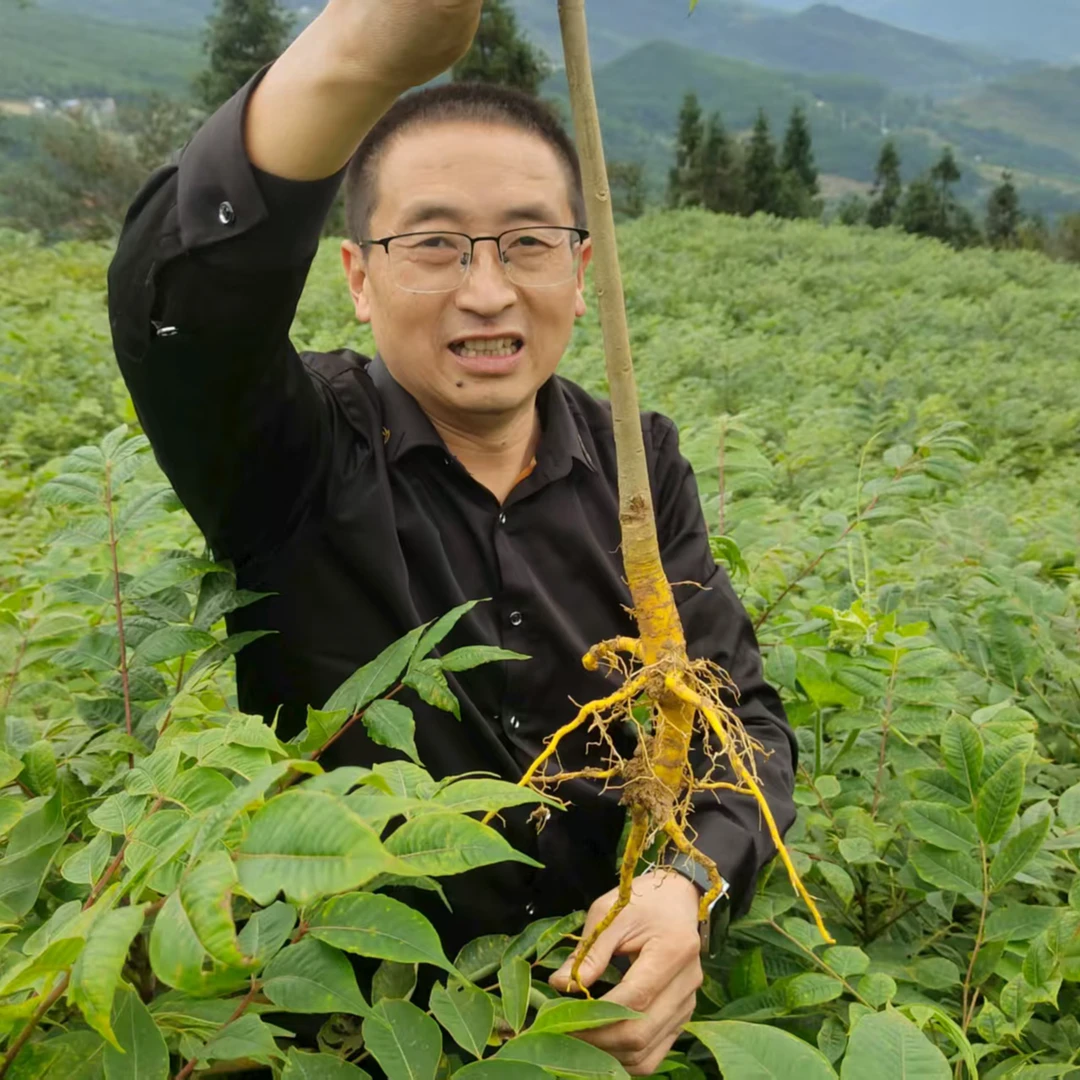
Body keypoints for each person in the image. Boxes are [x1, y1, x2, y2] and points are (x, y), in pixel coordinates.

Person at [107, 0, 796, 1073]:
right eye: (434, 243)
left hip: (585, 1029)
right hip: (345, 1035)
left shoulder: (638, 461)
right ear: (357, 276)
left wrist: (685, 883)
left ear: (582, 268)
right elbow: (179, 321)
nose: (486, 289)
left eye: (527, 241)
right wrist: (365, 47)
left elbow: (733, 710)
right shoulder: (292, 455)